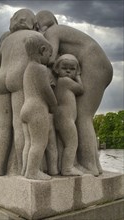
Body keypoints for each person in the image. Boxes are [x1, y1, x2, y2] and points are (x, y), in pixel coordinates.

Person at [36, 10, 113, 176]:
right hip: (99, 64)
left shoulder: (52, 31)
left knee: (83, 116)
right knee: (84, 116)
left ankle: (89, 165)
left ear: (40, 25)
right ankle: (93, 165)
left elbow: (50, 58)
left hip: (93, 63)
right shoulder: (63, 31)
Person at [0, 9, 38, 176]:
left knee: (3, 125)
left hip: (2, 80)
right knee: (19, 125)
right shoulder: (34, 36)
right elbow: (46, 56)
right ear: (33, 23)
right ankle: (19, 167)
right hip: (18, 77)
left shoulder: (7, 40)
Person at [20, 34, 57, 180]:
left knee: (29, 143)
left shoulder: (28, 69)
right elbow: (46, 91)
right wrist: (54, 104)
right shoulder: (40, 68)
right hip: (37, 109)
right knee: (39, 143)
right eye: (49, 54)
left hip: (26, 108)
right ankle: (32, 172)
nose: (50, 59)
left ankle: (25, 170)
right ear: (42, 50)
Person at [53, 54, 83, 176]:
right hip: (66, 118)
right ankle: (67, 168)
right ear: (57, 69)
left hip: (61, 117)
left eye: (72, 69)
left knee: (63, 143)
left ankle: (61, 166)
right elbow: (81, 89)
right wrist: (78, 76)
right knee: (72, 143)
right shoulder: (65, 81)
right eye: (64, 68)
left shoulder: (58, 81)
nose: (68, 71)